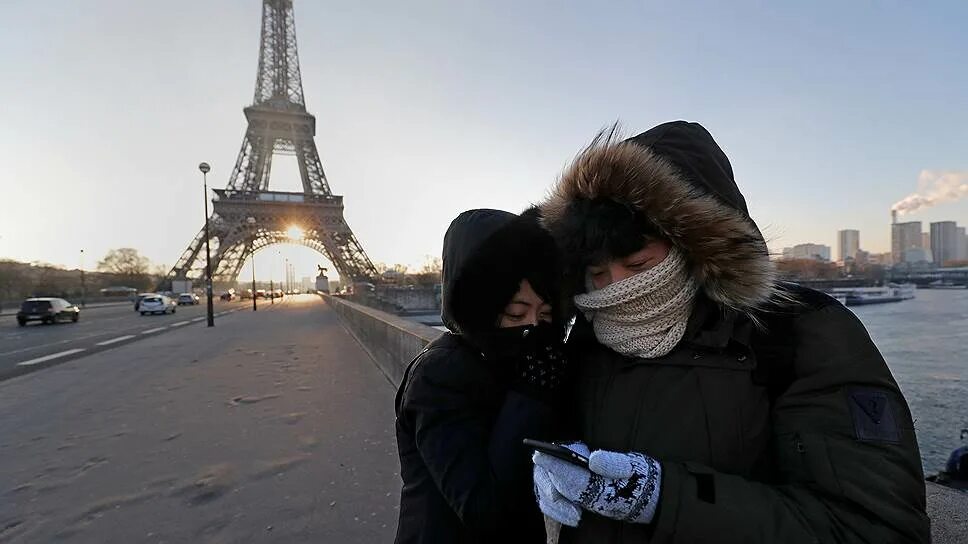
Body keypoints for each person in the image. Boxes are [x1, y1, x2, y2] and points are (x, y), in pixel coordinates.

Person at [531, 121, 930, 543]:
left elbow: (876, 528)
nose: (617, 289)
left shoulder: (799, 332)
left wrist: (664, 498)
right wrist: (560, 463)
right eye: (597, 273)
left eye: (638, 266)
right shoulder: (591, 333)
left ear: (695, 244)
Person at [394, 208, 570, 543]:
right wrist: (531, 395)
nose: (533, 326)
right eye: (516, 312)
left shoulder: (514, 359)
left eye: (545, 314)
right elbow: (484, 512)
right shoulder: (436, 377)